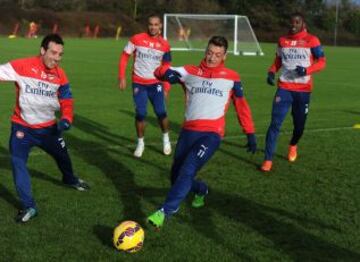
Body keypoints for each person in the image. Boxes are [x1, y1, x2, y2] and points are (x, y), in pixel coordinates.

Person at [147, 36, 257, 228]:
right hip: (188, 132)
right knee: (176, 177)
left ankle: (166, 211)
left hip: (211, 134)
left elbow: (241, 105)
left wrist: (250, 132)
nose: (211, 58)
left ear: (225, 56)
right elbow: (161, 70)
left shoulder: (232, 77)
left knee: (188, 169)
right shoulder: (190, 71)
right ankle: (201, 189)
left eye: (217, 54)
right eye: (209, 52)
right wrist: (166, 74)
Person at [0, 34, 89, 223]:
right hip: (22, 128)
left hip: (49, 130)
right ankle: (29, 206)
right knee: (17, 163)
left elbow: (66, 99)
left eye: (60, 54)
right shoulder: (21, 66)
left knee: (63, 156)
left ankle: (70, 179)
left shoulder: (60, 75)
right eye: (53, 53)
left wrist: (66, 118)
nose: (57, 58)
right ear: (42, 50)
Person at [261, 12, 326, 172]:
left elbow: (322, 62)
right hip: (284, 88)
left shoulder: (312, 40)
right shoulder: (282, 40)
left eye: (297, 22)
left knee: (299, 127)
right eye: (291, 22)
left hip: (303, 91)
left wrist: (307, 70)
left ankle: (293, 145)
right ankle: (268, 160)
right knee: (275, 124)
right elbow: (277, 61)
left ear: (303, 23)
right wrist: (271, 71)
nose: (293, 25)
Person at [118, 14, 172, 158]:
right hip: (139, 83)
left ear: (160, 26)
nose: (153, 27)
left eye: (156, 24)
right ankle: (140, 143)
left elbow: (167, 66)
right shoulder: (136, 39)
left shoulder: (165, 45)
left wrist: (166, 87)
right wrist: (122, 76)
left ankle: (166, 139)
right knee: (140, 114)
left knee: (161, 112)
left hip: (156, 84)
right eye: (150, 24)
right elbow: (125, 56)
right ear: (147, 25)